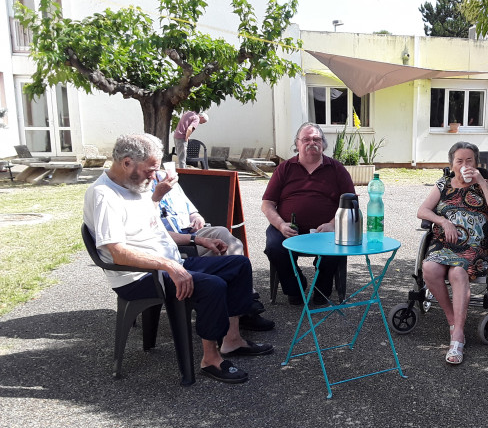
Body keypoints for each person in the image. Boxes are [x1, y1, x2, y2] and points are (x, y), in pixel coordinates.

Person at [84, 133, 273, 385]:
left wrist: (197, 240)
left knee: (237, 264)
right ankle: (210, 359)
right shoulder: (104, 196)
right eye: (150, 169)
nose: (154, 175)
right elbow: (118, 252)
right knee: (211, 286)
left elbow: (154, 233)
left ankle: (232, 340)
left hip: (168, 265)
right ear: (127, 162)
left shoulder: (135, 186)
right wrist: (168, 265)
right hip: (139, 276)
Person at [416, 141, 488, 365]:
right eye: (460, 161)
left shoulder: (484, 184)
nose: (464, 165)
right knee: (429, 268)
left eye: (470, 161)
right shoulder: (443, 184)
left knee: (457, 273)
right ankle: (452, 320)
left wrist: (482, 184)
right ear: (452, 164)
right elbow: (422, 211)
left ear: (476, 164)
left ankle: (457, 336)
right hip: (444, 244)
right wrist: (442, 221)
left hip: (475, 246)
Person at [151, 176, 274, 331]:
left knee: (225, 237)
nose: (154, 171)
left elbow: (192, 210)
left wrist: (197, 218)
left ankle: (245, 301)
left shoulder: (166, 178)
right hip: (171, 241)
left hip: (189, 230)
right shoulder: (137, 188)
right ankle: (243, 308)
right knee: (225, 261)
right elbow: (148, 231)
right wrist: (157, 195)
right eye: (151, 166)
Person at [261, 122, 355, 306]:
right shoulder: (285, 169)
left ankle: (321, 291)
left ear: (323, 144)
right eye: (306, 139)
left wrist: (333, 225)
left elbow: (351, 204)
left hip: (325, 230)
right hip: (288, 228)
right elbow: (267, 204)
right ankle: (295, 288)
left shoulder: (337, 169)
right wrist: (280, 224)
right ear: (297, 144)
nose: (311, 142)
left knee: (334, 247)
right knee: (275, 248)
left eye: (316, 139)